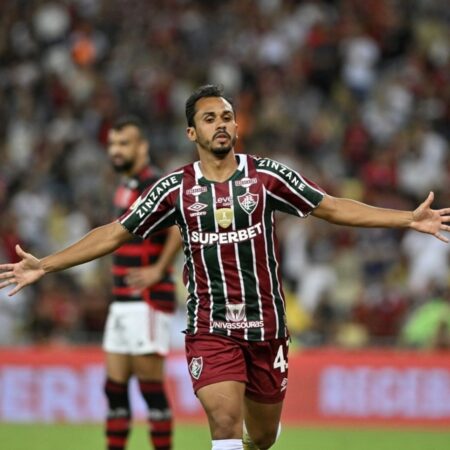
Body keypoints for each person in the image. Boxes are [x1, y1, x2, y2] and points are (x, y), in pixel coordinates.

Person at [1, 85, 449, 450]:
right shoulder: (174, 189)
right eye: (210, 118)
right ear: (192, 133)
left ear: (237, 125)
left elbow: (331, 207)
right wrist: (47, 265)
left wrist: (407, 218)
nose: (221, 124)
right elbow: (116, 232)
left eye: (227, 117)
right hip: (209, 328)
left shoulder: (266, 177)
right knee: (225, 424)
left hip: (268, 327)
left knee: (263, 437)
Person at [104, 116, 181, 450]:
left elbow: (178, 226)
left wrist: (158, 269)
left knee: (151, 391)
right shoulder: (126, 185)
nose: (116, 150)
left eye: (124, 143)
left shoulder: (154, 183)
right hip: (122, 300)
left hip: (147, 299)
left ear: (142, 147)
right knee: (114, 390)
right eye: (112, 144)